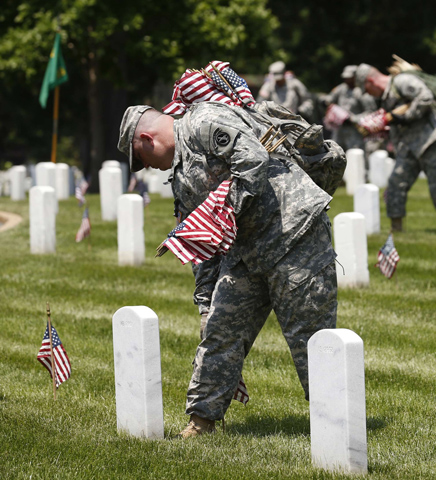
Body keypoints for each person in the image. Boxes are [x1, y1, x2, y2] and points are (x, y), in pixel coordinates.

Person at [117, 101, 339, 438]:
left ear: (147, 139)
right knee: (219, 332)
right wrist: (205, 302)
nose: (148, 167)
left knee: (311, 338)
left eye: (142, 159)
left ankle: (338, 426)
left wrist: (223, 212)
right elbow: (202, 241)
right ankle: (201, 422)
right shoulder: (180, 177)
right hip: (246, 252)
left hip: (294, 235)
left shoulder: (205, 121)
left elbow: (252, 159)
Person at [355, 63, 436, 233]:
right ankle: (396, 229)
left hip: (431, 141)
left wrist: (403, 116)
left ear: (371, 81)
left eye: (367, 89)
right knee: (395, 185)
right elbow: (395, 123)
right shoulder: (386, 99)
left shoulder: (402, 81)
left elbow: (425, 97)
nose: (368, 94)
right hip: (407, 147)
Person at [322, 65, 379, 152]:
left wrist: (352, 119)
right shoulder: (341, 88)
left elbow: (371, 112)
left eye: (349, 78)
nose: (346, 80)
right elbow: (330, 99)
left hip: (354, 129)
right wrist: (327, 104)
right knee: (334, 151)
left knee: (355, 154)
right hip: (339, 128)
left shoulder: (362, 91)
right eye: (345, 78)